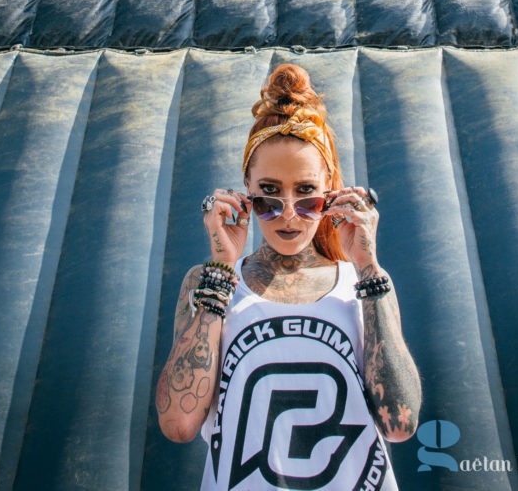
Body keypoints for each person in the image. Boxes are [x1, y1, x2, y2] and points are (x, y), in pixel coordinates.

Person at [156, 63, 421, 491]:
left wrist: (368, 267)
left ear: (331, 190)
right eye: (269, 195)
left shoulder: (365, 284)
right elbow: (179, 424)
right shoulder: (208, 283)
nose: (289, 216)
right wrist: (223, 269)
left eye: (307, 194)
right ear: (245, 189)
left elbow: (399, 423)